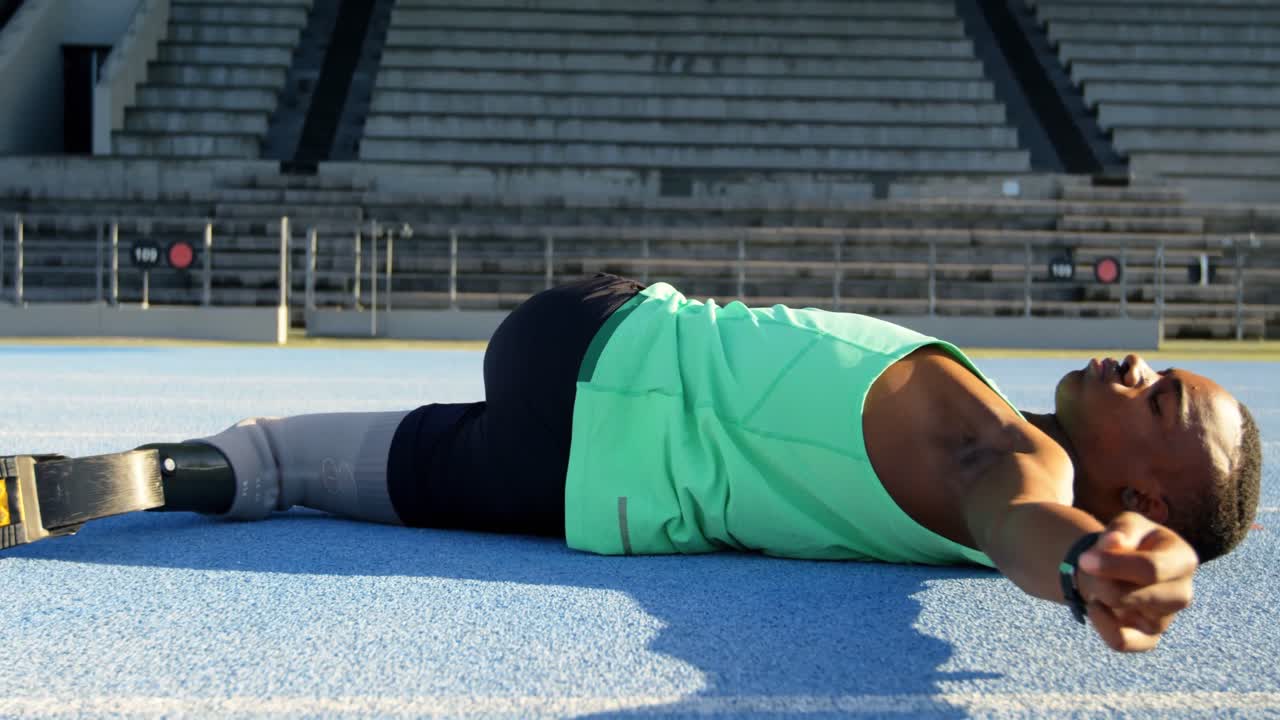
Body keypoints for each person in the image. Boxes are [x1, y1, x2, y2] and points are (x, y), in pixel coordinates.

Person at [0, 274, 1261, 653]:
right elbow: (1013, 533)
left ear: (1144, 493)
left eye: (1167, 398)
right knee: (343, 470)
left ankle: (183, 468)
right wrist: (1085, 566)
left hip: (591, 343)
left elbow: (1020, 505)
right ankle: (205, 472)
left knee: (291, 455)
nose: (1134, 366)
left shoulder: (1003, 448)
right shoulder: (977, 514)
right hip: (594, 496)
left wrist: (1090, 558)